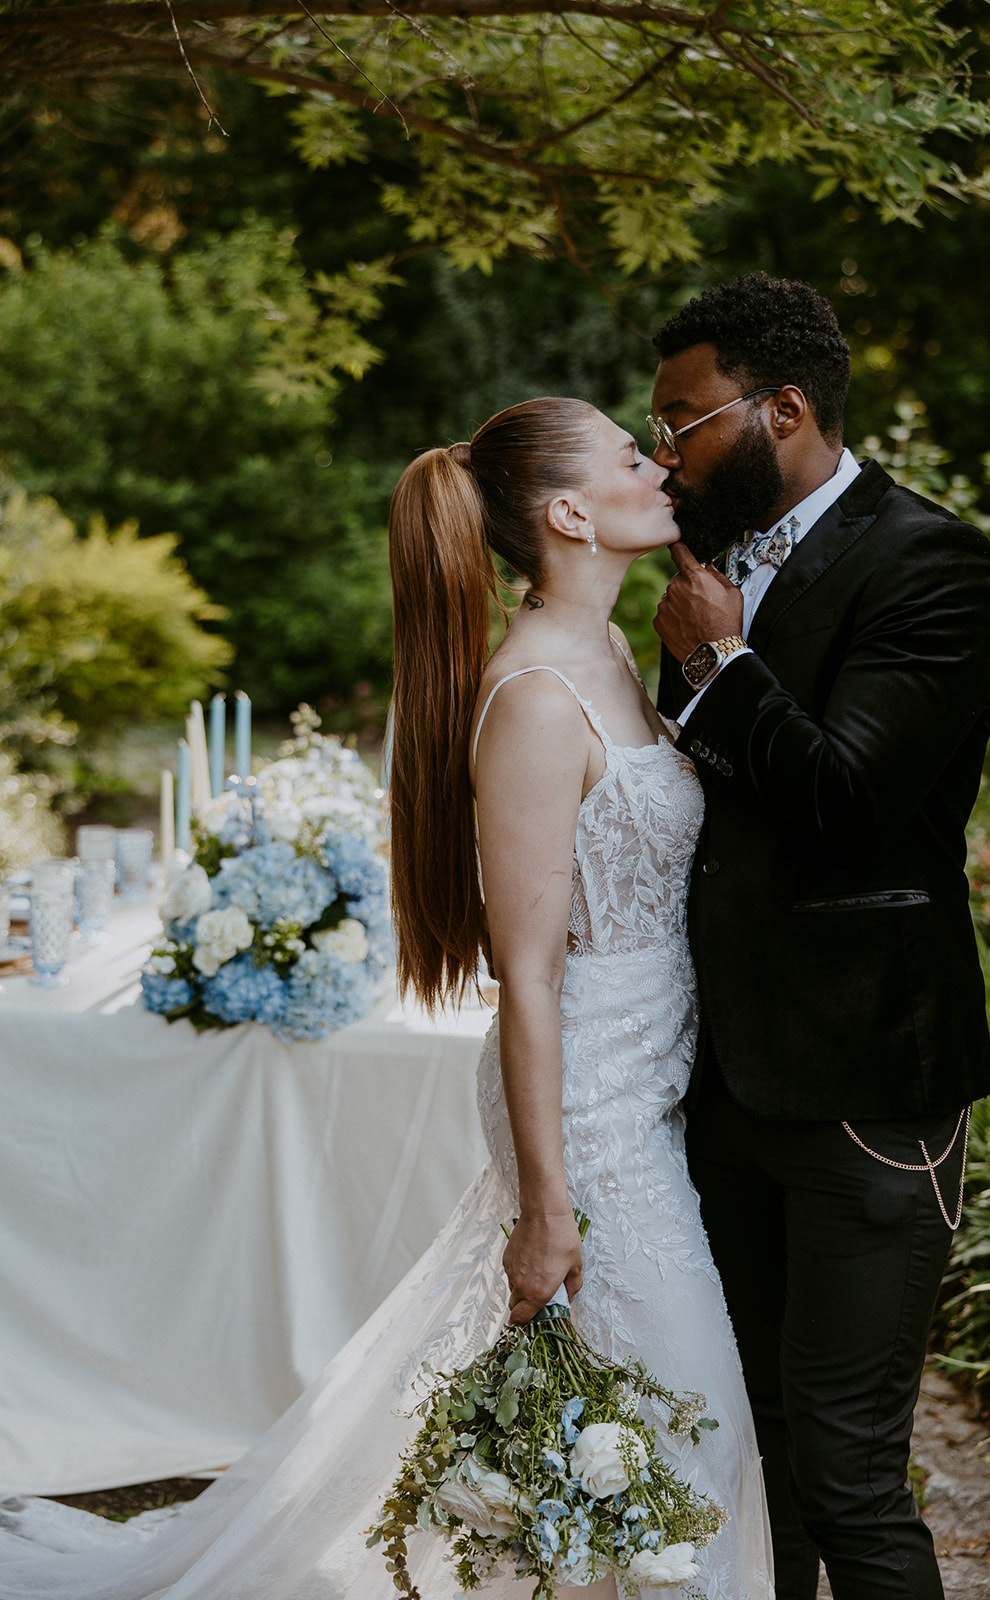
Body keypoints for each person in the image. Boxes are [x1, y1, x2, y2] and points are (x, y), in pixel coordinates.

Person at [0, 397, 773, 1600]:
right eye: (630, 454)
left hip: (648, 1090)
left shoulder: (613, 652)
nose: (657, 463)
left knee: (660, 1443)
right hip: (591, 1120)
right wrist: (547, 1209)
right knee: (678, 1428)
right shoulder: (529, 702)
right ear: (569, 511)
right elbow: (527, 978)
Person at [649, 272, 990, 1600]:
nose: (661, 450)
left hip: (866, 1090)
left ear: (781, 407)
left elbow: (850, 800)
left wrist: (719, 666)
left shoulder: (928, 560)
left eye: (680, 420)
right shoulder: (699, 567)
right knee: (759, 1452)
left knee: (848, 1470)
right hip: (721, 1083)